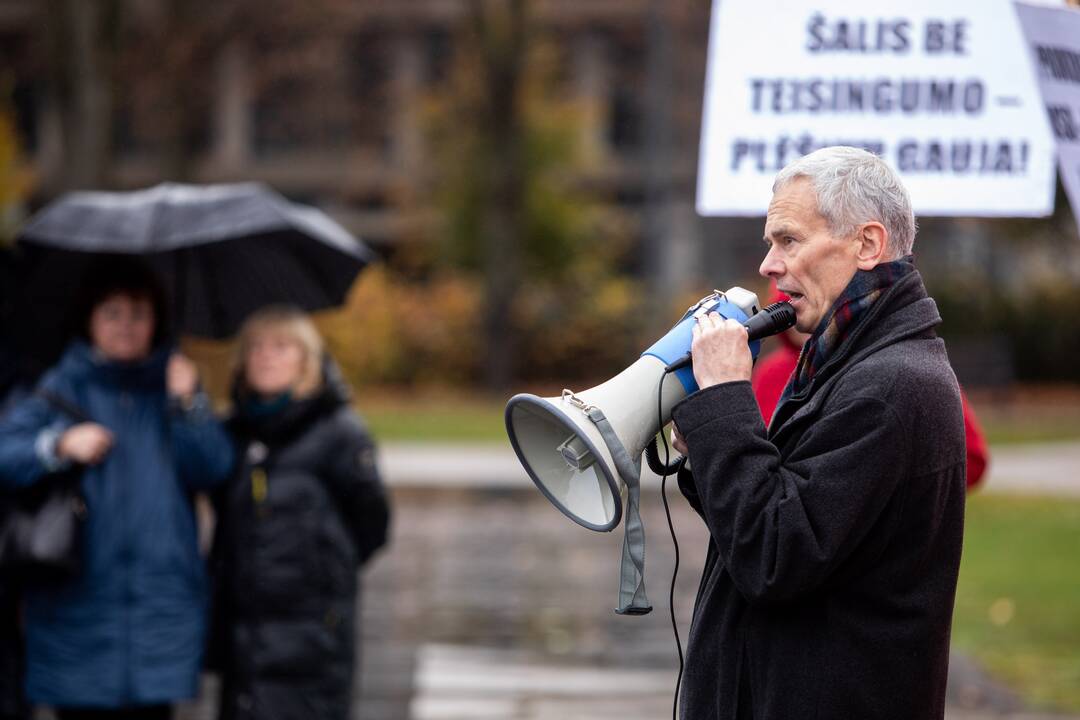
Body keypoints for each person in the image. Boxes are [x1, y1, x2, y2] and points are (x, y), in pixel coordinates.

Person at [670, 146, 966, 719]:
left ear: (867, 244)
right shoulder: (849, 359)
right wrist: (709, 447)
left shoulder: (890, 385)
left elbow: (774, 556)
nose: (768, 265)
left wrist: (729, 411)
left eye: (788, 240)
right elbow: (780, 516)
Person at [0, 259, 235, 719]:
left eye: (138, 314)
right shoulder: (62, 386)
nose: (125, 327)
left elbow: (213, 468)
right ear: (90, 320)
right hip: (77, 612)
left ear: (156, 321)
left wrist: (189, 403)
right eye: (112, 314)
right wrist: (58, 445)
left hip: (158, 612)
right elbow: (5, 453)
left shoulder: (176, 387)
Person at [211, 306, 390, 720]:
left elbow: (372, 522)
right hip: (244, 635)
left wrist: (322, 575)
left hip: (311, 637)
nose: (266, 356)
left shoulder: (339, 432)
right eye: (255, 347)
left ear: (306, 359)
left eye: (281, 346)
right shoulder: (233, 434)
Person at [752, 284, 990, 490]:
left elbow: (971, 455)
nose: (807, 330)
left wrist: (893, 492)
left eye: (818, 314)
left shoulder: (896, 366)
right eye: (792, 317)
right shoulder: (769, 374)